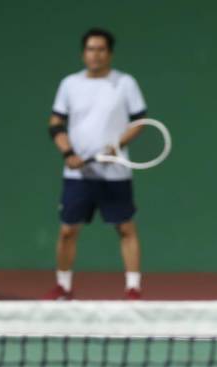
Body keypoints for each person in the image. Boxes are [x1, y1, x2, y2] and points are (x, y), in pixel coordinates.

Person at [43, 28, 147, 301]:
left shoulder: (125, 83)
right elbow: (55, 123)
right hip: (77, 175)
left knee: (126, 228)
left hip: (115, 173)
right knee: (67, 231)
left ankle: (133, 289)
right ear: (83, 53)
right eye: (91, 49)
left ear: (109, 53)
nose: (95, 54)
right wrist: (68, 154)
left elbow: (139, 122)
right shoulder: (69, 85)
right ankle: (63, 287)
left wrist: (117, 144)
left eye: (101, 49)